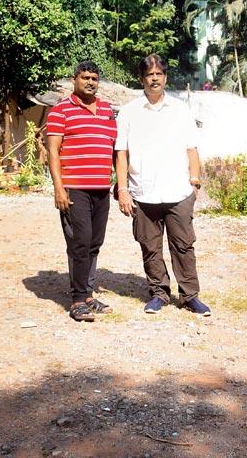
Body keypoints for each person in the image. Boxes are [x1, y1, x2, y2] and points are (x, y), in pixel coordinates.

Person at [115, 55, 211, 317]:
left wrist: (194, 181)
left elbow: (191, 147)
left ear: (165, 77)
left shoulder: (180, 110)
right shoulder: (129, 112)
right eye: (149, 74)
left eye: (159, 73)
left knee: (183, 245)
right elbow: (121, 153)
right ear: (142, 79)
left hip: (177, 192)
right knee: (150, 246)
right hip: (143, 193)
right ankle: (159, 293)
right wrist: (123, 189)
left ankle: (190, 296)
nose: (154, 78)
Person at [45, 61, 118, 322]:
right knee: (80, 241)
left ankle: (88, 295)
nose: (90, 82)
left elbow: (114, 149)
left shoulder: (108, 111)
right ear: (74, 79)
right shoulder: (61, 110)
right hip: (75, 189)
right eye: (85, 77)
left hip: (101, 188)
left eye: (94, 78)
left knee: (94, 243)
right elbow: (53, 151)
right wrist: (59, 188)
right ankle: (77, 299)